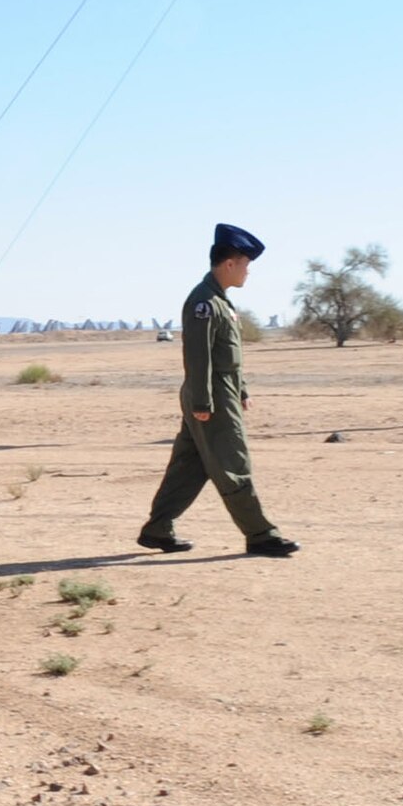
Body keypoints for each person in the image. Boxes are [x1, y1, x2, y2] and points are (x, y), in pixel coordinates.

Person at [136, 223, 300, 558]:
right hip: (211, 395)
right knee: (233, 462)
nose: (247, 272)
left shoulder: (220, 301)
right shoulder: (204, 302)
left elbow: (228, 355)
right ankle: (260, 534)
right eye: (245, 264)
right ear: (229, 264)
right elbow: (199, 357)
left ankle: (158, 529)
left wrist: (242, 389)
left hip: (219, 391)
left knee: (188, 467)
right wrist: (203, 402)